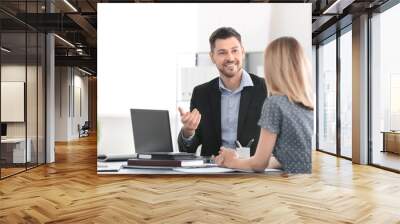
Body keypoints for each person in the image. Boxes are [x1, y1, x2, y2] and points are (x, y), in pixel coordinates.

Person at [214, 37, 314, 174]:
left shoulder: (274, 103)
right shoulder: (308, 104)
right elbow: (291, 157)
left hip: (291, 186)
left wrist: (232, 161)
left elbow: (259, 164)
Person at [177, 27, 267, 156]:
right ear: (212, 57)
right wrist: (188, 131)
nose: (230, 58)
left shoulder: (266, 89)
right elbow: (187, 150)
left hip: (253, 172)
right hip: (214, 172)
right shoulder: (201, 93)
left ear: (242, 52)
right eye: (222, 52)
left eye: (235, 51)